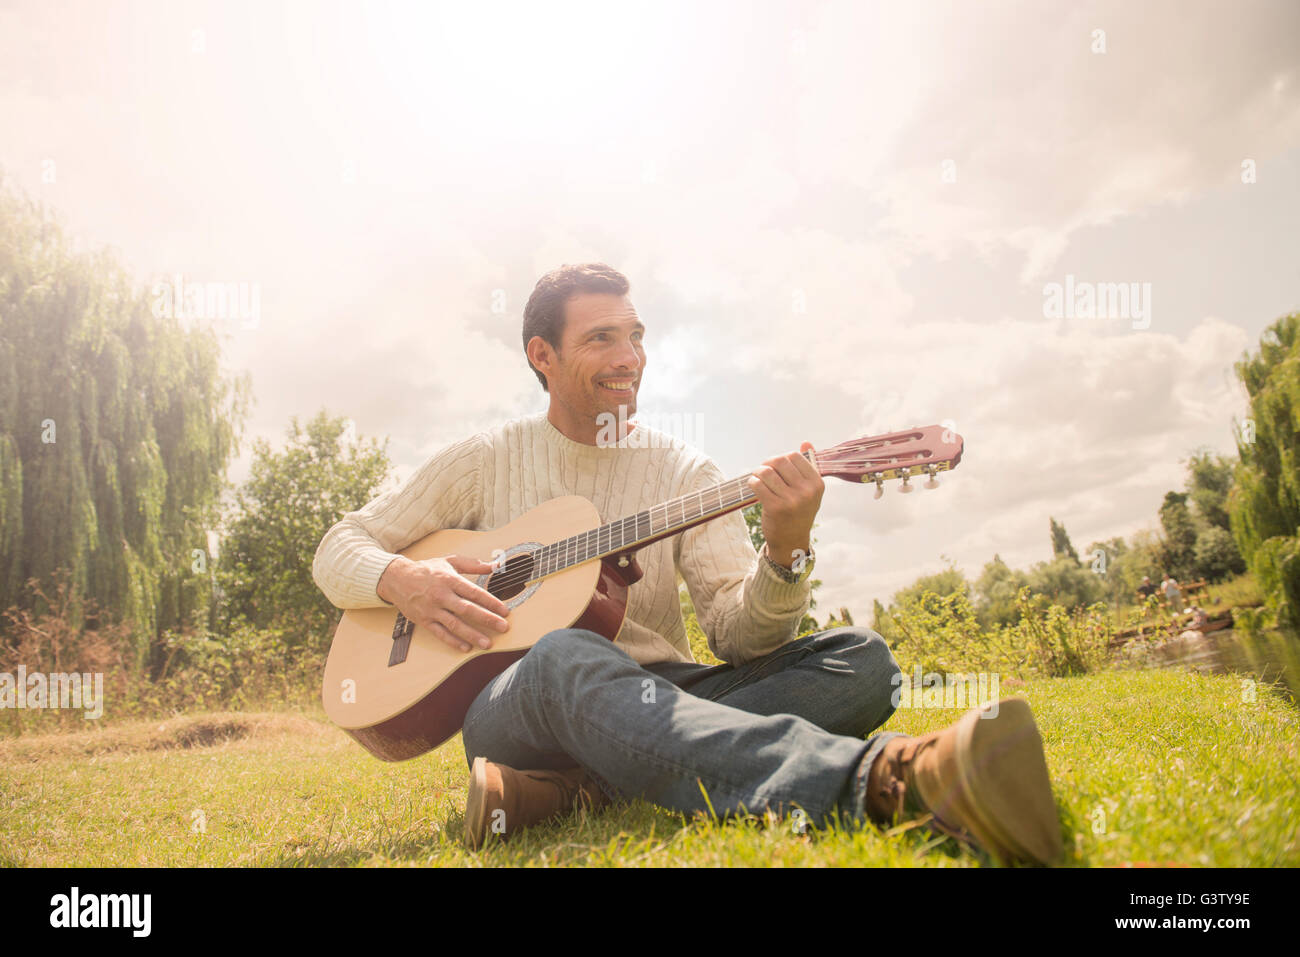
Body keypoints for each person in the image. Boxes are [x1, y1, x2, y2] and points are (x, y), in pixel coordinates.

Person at [311, 263, 1063, 865]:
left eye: (636, 335)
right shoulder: (482, 460)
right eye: (601, 338)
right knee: (564, 650)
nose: (630, 358)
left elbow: (741, 637)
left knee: (863, 659)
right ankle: (887, 781)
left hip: (661, 690)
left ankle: (585, 789)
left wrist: (785, 547)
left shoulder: (686, 471)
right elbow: (338, 546)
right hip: (519, 701)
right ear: (542, 356)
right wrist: (406, 580)